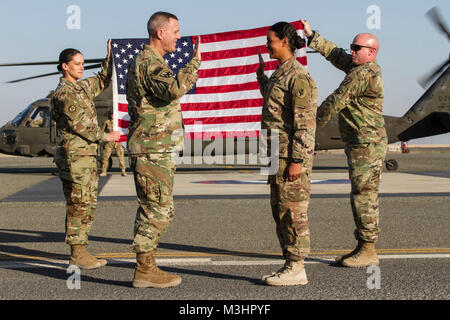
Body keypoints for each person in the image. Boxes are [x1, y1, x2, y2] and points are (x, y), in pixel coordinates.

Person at [301, 19, 387, 267]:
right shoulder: (359, 68)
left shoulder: (364, 73)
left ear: (371, 52)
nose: (351, 50)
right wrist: (312, 36)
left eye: (356, 48)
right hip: (361, 143)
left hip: (367, 144)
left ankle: (368, 249)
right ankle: (364, 246)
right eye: (352, 46)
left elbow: (336, 100)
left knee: (364, 195)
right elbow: (336, 55)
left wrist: (308, 123)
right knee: (361, 194)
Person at [126, 11, 201, 288]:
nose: (179, 37)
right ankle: (145, 270)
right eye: (176, 31)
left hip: (156, 149)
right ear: (160, 32)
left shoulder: (151, 61)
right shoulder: (149, 61)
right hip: (151, 149)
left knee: (156, 208)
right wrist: (194, 64)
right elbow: (173, 89)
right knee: (156, 209)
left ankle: (147, 267)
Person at [256, 21, 317, 286]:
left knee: (293, 212)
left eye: (270, 40)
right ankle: (289, 263)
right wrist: (261, 77)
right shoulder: (280, 73)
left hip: (287, 157)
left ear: (284, 41)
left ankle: (297, 267)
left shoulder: (297, 76)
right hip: (273, 154)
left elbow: (304, 123)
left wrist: (297, 160)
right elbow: (275, 107)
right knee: (280, 211)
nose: (267, 45)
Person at [51, 41, 121, 269]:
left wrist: (110, 56)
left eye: (82, 64)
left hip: (86, 157)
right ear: (65, 66)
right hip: (74, 158)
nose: (81, 68)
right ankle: (77, 253)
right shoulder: (64, 94)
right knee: (78, 203)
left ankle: (81, 251)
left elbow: (102, 79)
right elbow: (80, 125)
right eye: (77, 64)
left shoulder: (81, 88)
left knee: (88, 203)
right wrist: (106, 136)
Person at [100, 110, 127, 176]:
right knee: (105, 157)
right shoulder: (107, 122)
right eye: (111, 114)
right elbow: (102, 131)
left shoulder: (119, 122)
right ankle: (104, 171)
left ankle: (123, 171)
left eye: (113, 114)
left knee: (121, 157)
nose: (112, 115)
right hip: (109, 142)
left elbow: (124, 130)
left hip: (118, 142)